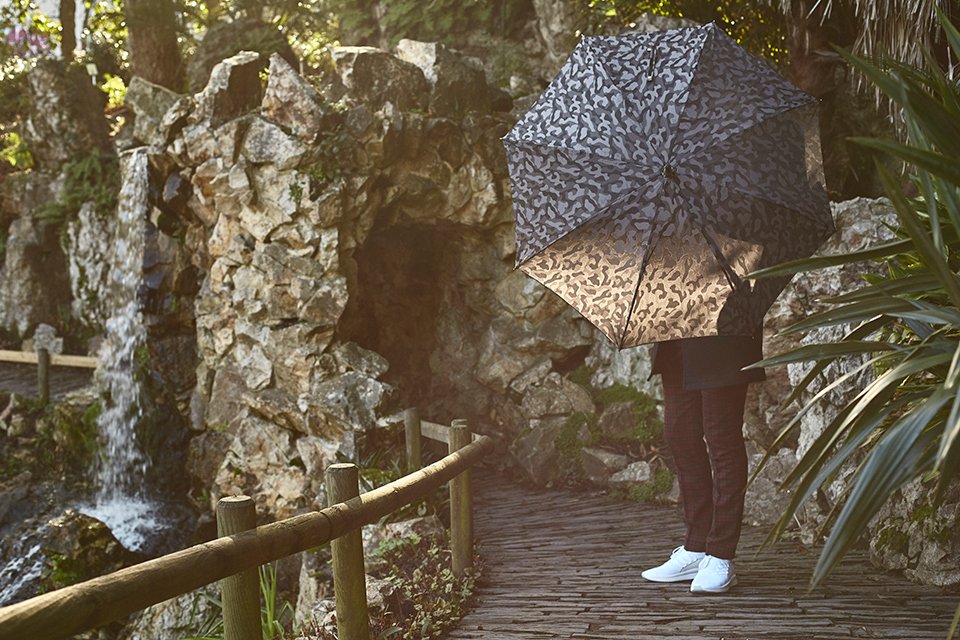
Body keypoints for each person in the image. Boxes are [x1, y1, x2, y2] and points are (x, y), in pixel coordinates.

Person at [640, 334, 765, 594]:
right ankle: (696, 547)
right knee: (680, 435)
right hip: (677, 333)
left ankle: (721, 553)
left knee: (722, 439)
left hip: (723, 334)